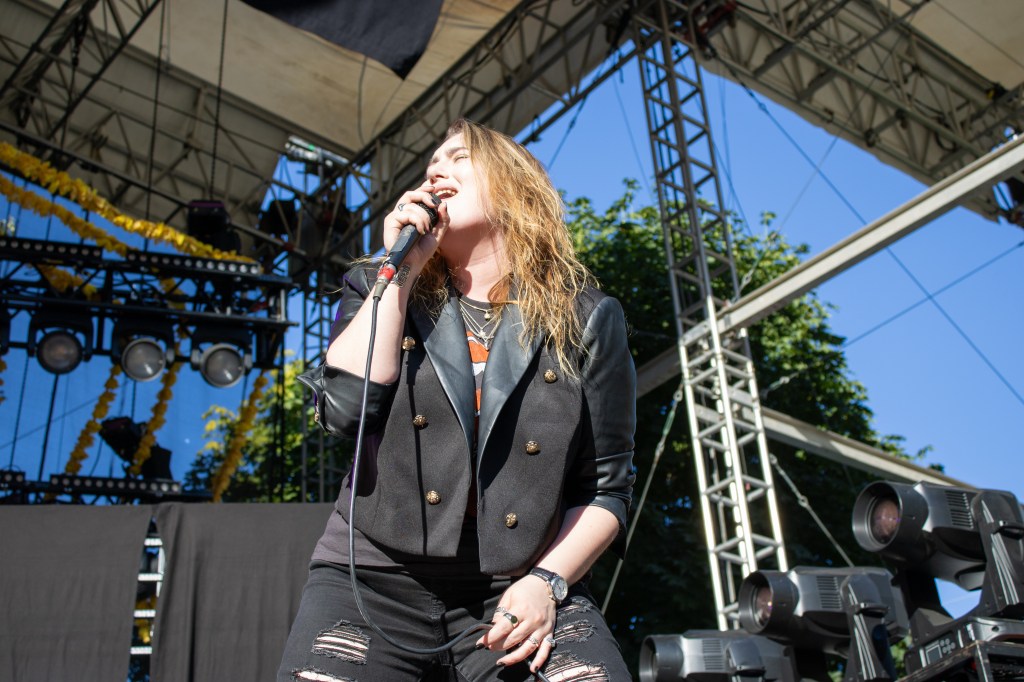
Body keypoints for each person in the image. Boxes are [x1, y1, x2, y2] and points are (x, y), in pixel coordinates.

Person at [279, 118, 636, 682]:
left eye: (458, 158)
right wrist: (401, 269)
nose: (436, 171)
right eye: (430, 166)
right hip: (372, 578)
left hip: (517, 585)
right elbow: (345, 407)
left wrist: (547, 583)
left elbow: (606, 490)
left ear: (515, 185)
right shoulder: (380, 285)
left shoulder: (584, 317)